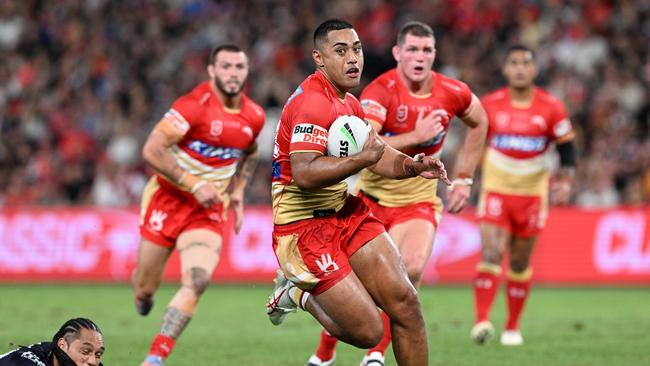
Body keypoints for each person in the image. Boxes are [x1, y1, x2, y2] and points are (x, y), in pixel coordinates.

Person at [265, 19, 451, 366]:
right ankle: (296, 295)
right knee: (368, 332)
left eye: (357, 49)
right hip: (303, 229)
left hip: (344, 212)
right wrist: (361, 158)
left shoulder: (349, 102)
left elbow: (376, 154)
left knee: (406, 304)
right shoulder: (312, 103)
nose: (353, 58)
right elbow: (305, 174)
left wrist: (413, 165)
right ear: (318, 58)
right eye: (340, 51)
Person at [306, 21, 488, 366]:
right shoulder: (379, 92)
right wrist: (416, 134)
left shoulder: (453, 91)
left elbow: (479, 120)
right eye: (413, 50)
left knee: (409, 274)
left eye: (426, 50)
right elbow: (364, 147)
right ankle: (324, 354)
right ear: (397, 53)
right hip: (371, 201)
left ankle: (375, 356)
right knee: (355, 284)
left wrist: (464, 178)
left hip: (417, 201)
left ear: (434, 54)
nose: (419, 56)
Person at [132, 44, 265, 366]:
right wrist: (193, 183)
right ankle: (143, 293)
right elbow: (151, 150)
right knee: (145, 288)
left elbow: (250, 151)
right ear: (212, 71)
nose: (233, 73)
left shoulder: (254, 115)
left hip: (206, 211)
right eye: (226, 66)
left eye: (239, 67)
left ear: (247, 72)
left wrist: (239, 191)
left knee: (198, 279)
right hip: (168, 199)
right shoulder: (192, 107)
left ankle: (156, 357)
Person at [470, 45, 576, 346]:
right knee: (491, 253)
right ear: (505, 69)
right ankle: (481, 321)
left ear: (534, 70)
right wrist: (468, 177)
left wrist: (566, 181)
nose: (519, 68)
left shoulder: (551, 106)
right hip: (496, 191)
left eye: (525, 63)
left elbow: (567, 147)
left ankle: (512, 326)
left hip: (532, 195)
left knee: (518, 262)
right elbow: (475, 143)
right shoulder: (490, 104)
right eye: (513, 62)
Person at [0, 318, 104, 366]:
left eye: (98, 354)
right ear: (62, 345)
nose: (93, 361)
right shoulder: (24, 363)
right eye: (85, 351)